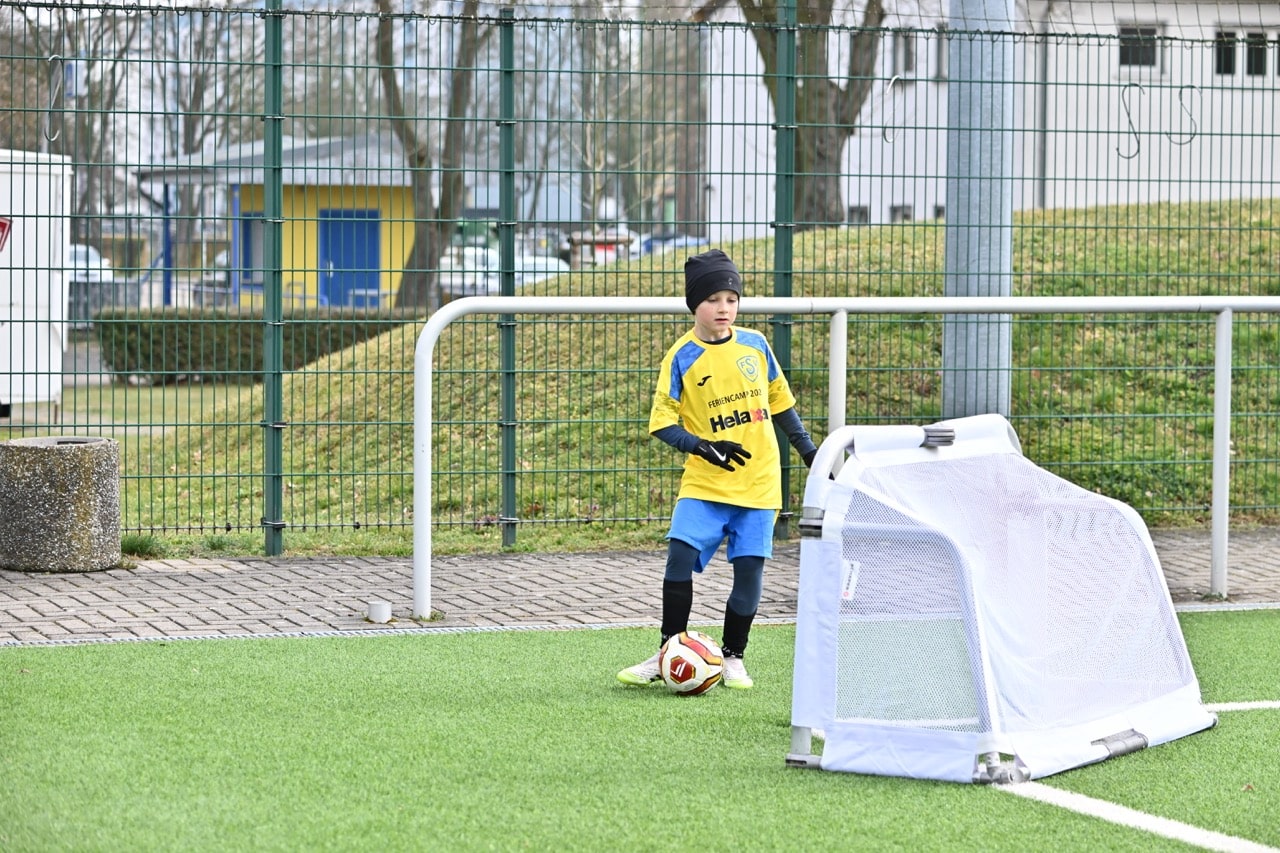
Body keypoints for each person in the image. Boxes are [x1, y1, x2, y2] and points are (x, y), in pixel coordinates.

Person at [617, 249, 819, 690]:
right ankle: (668, 648)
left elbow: (781, 402)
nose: (723, 307)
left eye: (731, 297)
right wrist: (703, 446)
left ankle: (733, 657)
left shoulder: (755, 345)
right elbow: (662, 423)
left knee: (749, 569)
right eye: (712, 299)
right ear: (695, 305)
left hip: (759, 484)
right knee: (679, 559)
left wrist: (807, 450)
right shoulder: (681, 357)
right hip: (705, 484)